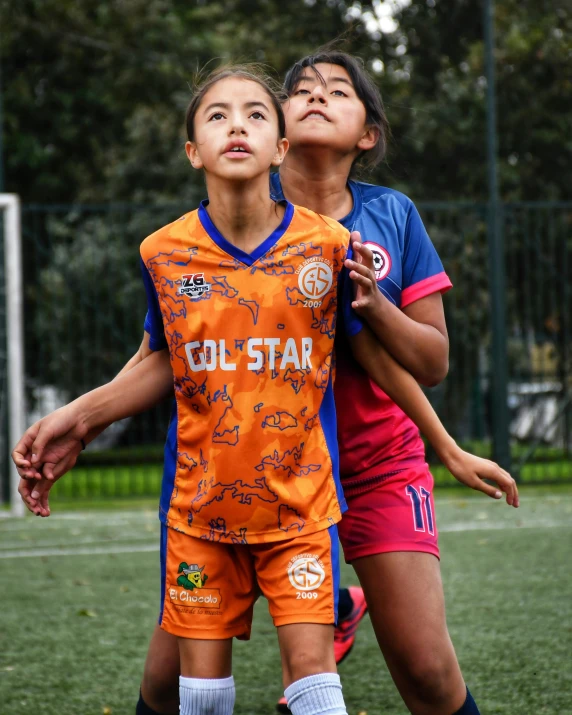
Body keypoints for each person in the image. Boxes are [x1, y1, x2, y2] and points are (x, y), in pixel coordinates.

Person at [14, 57, 518, 715]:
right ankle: (327, 607)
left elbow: (419, 362)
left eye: (338, 91)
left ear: (364, 133)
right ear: (198, 147)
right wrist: (78, 418)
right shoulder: (184, 244)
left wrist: (443, 439)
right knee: (174, 683)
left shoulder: (358, 232)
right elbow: (167, 355)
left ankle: (325, 609)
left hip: (354, 470)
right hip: (226, 477)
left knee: (423, 667)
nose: (314, 97)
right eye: (300, 90)